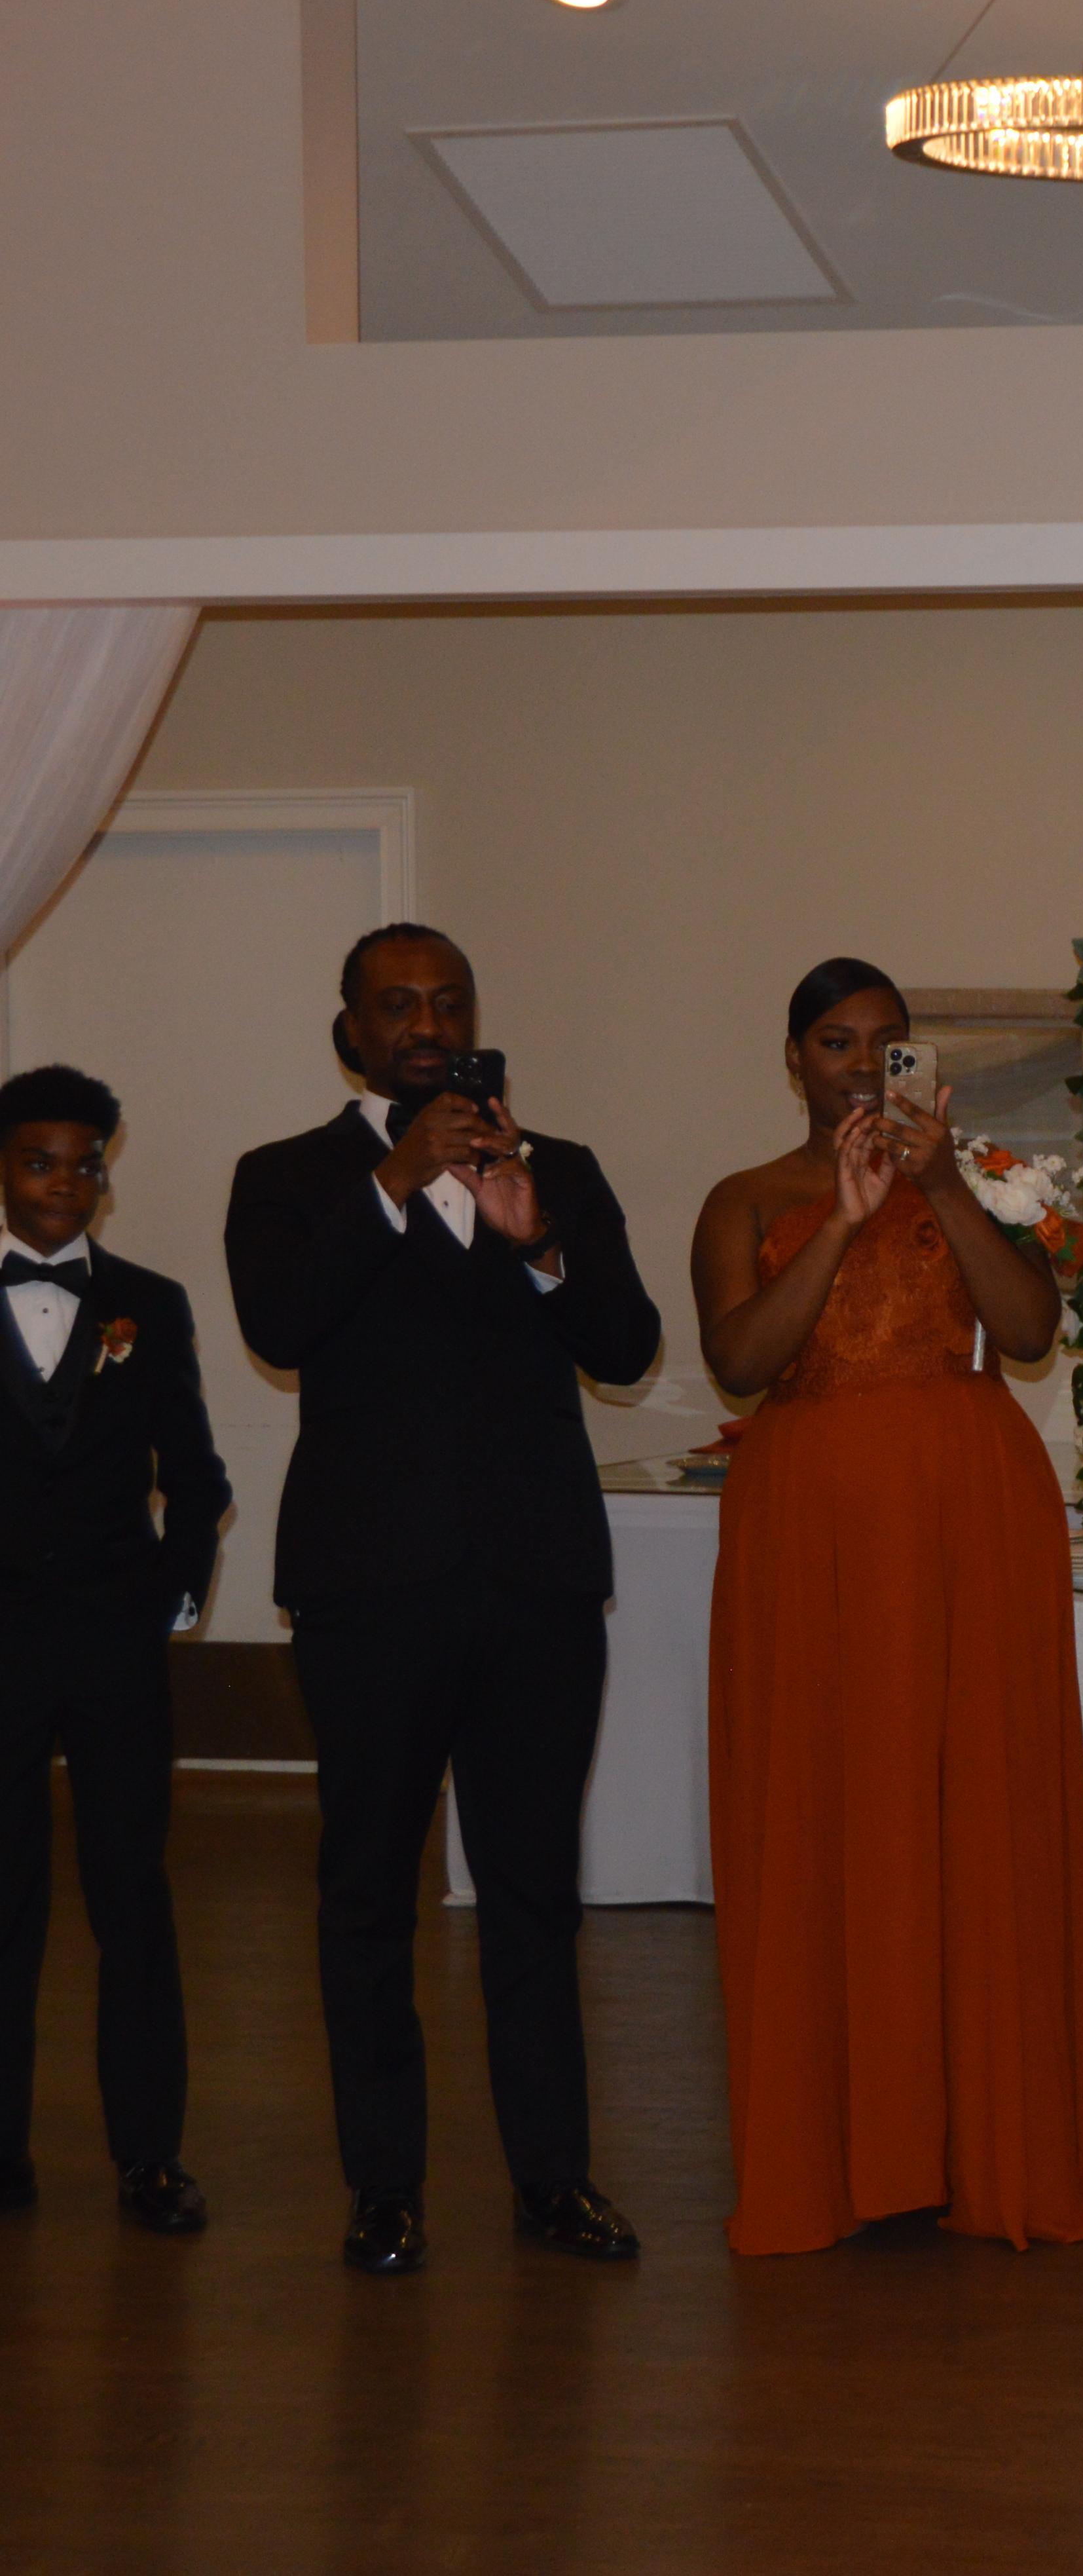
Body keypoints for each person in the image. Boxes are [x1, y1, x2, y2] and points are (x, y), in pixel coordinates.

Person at [690, 960, 1083, 2256]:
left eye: (885, 1042)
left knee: (971, 1810)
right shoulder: (746, 1198)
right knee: (832, 1812)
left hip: (968, 1525)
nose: (860, 1064)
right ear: (793, 1058)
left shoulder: (976, 1178)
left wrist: (941, 1183)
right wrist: (842, 1219)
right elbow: (740, 1358)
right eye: (835, 1042)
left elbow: (1030, 1332)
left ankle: (977, 2136)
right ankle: (847, 2142)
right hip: (814, 1537)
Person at [225, 924, 664, 2276]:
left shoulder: (560, 1169)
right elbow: (281, 1325)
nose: (427, 1025)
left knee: (535, 1892)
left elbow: (629, 1347)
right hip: (369, 1595)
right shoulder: (287, 1177)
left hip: (537, 1589)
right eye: (397, 1005)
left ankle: (553, 2178)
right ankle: (384, 2186)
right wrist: (396, 1178)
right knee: (369, 1893)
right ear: (351, 1033)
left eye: (449, 1002)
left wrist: (541, 1247)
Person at [0, 1066, 227, 2235]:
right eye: (40, 1162)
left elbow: (196, 1475)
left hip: (113, 1647)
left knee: (132, 1896)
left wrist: (169, 1596)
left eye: (85, 1164)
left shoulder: (152, 1303)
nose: (65, 1183)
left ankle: (149, 2156)